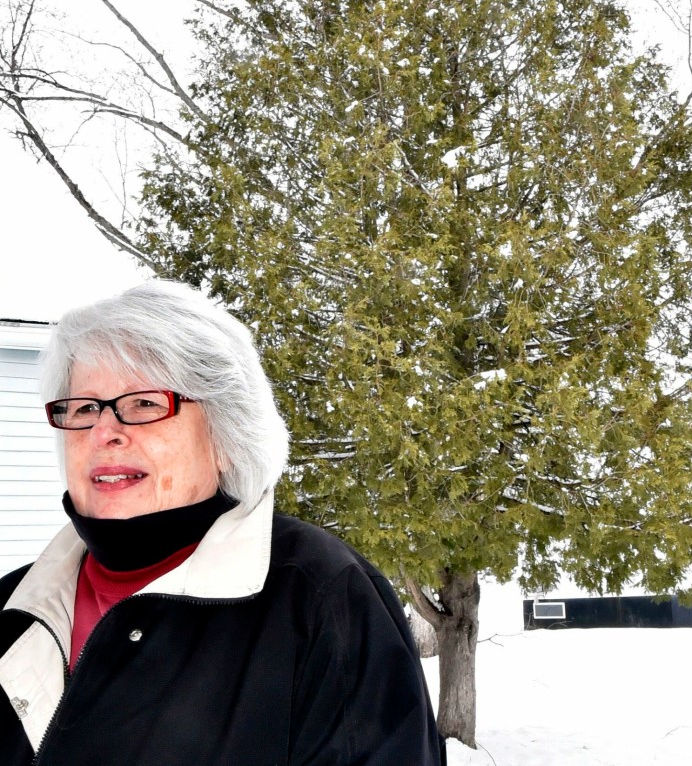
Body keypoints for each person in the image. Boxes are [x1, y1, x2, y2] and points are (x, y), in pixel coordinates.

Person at [0, 279, 445, 765]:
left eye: (145, 403)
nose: (104, 432)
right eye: (84, 408)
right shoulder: (12, 609)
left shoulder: (323, 601)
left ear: (226, 437)